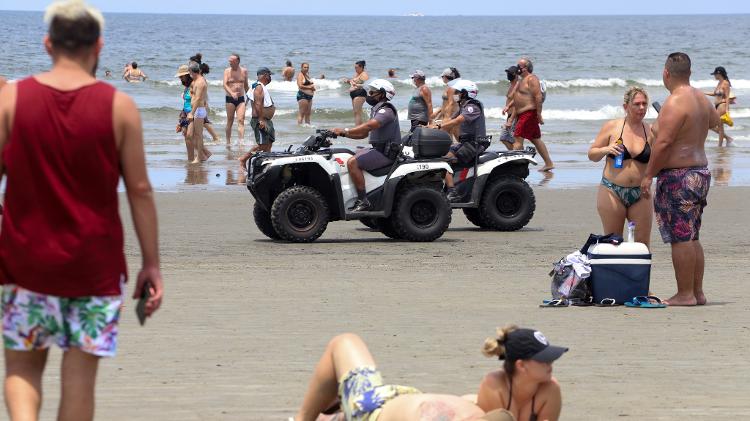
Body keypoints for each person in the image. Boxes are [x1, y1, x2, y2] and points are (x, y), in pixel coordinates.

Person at [0, 2, 164, 420]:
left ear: (47, 43)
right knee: (79, 379)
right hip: (93, 266)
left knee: (21, 368)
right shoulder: (118, 106)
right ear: (99, 46)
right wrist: (151, 264)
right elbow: (140, 190)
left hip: (23, 262)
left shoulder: (11, 100)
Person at [640, 52, 719, 306]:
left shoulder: (674, 102)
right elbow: (715, 122)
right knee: (692, 235)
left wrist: (648, 175)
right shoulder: (701, 99)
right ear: (690, 73)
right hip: (700, 173)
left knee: (681, 236)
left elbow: (662, 144)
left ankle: (685, 294)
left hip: (679, 177)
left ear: (666, 73)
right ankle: (697, 292)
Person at [292, 333, 517, 421]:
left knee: (344, 342)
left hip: (371, 409)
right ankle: (332, 411)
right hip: (387, 401)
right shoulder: (472, 408)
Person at [588, 87, 653, 247]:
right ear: (626, 106)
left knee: (642, 245)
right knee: (613, 242)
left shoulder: (651, 130)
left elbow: (660, 159)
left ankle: (639, 273)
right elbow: (592, 154)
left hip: (641, 193)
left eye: (645, 104)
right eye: (637, 104)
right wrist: (606, 149)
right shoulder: (612, 127)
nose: (642, 108)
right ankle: (614, 272)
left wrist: (650, 177)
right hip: (612, 191)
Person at [332, 79, 401, 212]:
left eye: (372, 92)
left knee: (353, 163)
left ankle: (363, 200)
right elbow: (363, 134)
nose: (369, 94)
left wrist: (345, 130)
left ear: (381, 94)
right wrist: (341, 134)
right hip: (379, 150)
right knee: (348, 155)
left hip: (386, 153)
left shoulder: (386, 111)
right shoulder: (376, 110)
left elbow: (370, 126)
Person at [477, 326, 566, 421]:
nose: (550, 363)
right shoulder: (494, 386)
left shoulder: (551, 389)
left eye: (550, 358)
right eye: (543, 359)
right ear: (521, 365)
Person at [433, 79, 486, 202]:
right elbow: (449, 121)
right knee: (440, 156)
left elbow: (457, 121)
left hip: (475, 144)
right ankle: (447, 187)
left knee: (445, 161)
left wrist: (439, 127)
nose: (456, 94)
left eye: (458, 92)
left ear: (465, 93)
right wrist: (430, 127)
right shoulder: (463, 106)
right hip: (465, 143)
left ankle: (453, 192)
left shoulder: (473, 107)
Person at [512, 58, 554, 171]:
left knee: (517, 139)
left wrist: (539, 114)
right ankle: (549, 163)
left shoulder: (532, 78)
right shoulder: (521, 80)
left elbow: (538, 96)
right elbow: (516, 98)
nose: (517, 68)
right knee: (535, 139)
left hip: (529, 113)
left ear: (525, 68)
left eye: (519, 66)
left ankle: (515, 167)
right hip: (522, 114)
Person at [238, 67, 276, 169]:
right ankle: (244, 159)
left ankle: (266, 164)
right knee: (262, 145)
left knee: (269, 144)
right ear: (265, 75)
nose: (270, 78)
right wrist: (261, 120)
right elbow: (258, 104)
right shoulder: (258, 87)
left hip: (266, 120)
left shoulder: (260, 86)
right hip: (261, 120)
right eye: (269, 75)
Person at [187, 61, 210, 163]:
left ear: (192, 71)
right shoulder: (195, 81)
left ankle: (199, 157)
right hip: (196, 109)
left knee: (198, 135)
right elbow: (193, 95)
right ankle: (203, 155)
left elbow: (198, 99)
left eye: (189, 71)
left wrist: (191, 112)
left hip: (198, 110)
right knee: (192, 135)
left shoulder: (200, 82)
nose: (189, 73)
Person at [223, 53, 249, 146]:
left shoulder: (244, 71)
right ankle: (228, 142)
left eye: (232, 61)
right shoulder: (227, 71)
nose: (230, 62)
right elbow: (225, 84)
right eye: (229, 61)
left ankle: (241, 142)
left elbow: (246, 85)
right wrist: (232, 93)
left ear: (237, 61)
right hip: (230, 99)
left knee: (241, 120)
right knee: (230, 120)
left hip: (241, 99)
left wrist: (250, 97)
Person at [705, 66, 732, 146]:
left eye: (715, 74)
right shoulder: (719, 83)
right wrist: (703, 93)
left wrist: (727, 109)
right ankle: (727, 139)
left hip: (722, 106)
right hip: (717, 106)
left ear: (719, 73)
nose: (714, 76)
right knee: (713, 125)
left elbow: (727, 97)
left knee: (713, 125)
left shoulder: (725, 83)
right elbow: (715, 94)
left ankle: (720, 145)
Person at [431, 67, 461, 140]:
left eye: (442, 77)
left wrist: (447, 119)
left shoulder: (453, 88)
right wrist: (439, 112)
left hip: (451, 116)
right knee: (449, 137)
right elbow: (453, 102)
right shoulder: (450, 87)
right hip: (448, 115)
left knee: (456, 137)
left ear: (446, 77)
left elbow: (452, 103)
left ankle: (469, 149)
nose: (442, 78)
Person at [500, 65, 519, 150]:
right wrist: (507, 107)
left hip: (515, 115)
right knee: (504, 138)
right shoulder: (511, 85)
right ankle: (515, 154)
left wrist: (511, 119)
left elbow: (518, 101)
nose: (508, 75)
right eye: (508, 73)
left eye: (510, 73)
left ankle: (518, 156)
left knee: (515, 140)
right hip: (510, 115)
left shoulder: (518, 85)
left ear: (516, 74)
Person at [346, 60, 369, 126]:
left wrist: (355, 84)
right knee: (355, 113)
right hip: (354, 94)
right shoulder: (357, 74)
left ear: (361, 67)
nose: (355, 69)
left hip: (360, 94)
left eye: (357, 67)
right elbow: (353, 82)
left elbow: (366, 85)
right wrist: (348, 81)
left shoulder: (364, 74)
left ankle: (358, 128)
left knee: (357, 113)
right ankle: (358, 127)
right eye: (355, 67)